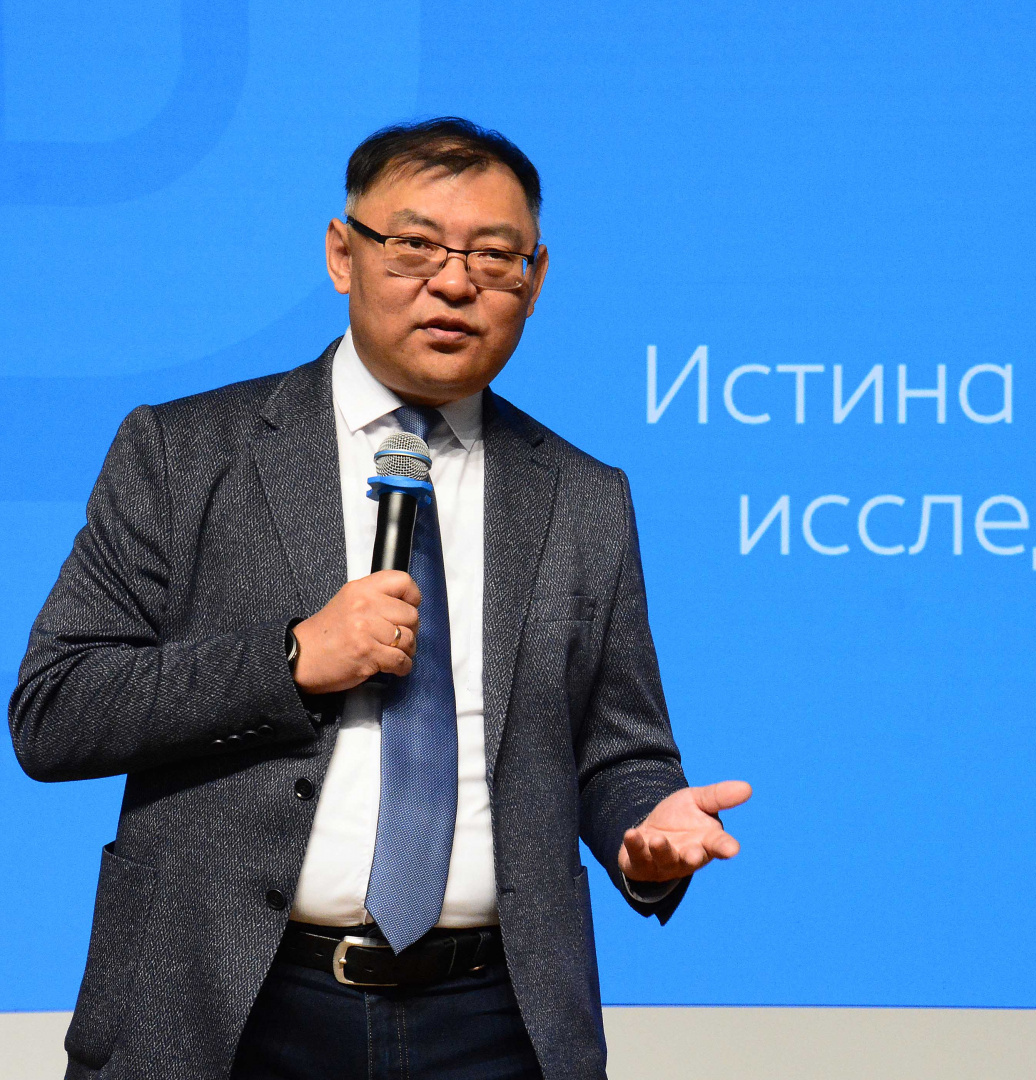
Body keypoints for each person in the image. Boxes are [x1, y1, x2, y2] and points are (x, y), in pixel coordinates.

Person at [9, 117, 750, 1080]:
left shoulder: (583, 495)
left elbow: (620, 751)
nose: (454, 284)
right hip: (226, 1007)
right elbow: (55, 711)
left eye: (494, 257)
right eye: (415, 246)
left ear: (535, 280)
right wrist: (290, 662)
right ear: (341, 253)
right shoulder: (185, 453)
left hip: (494, 1021)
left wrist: (643, 835)